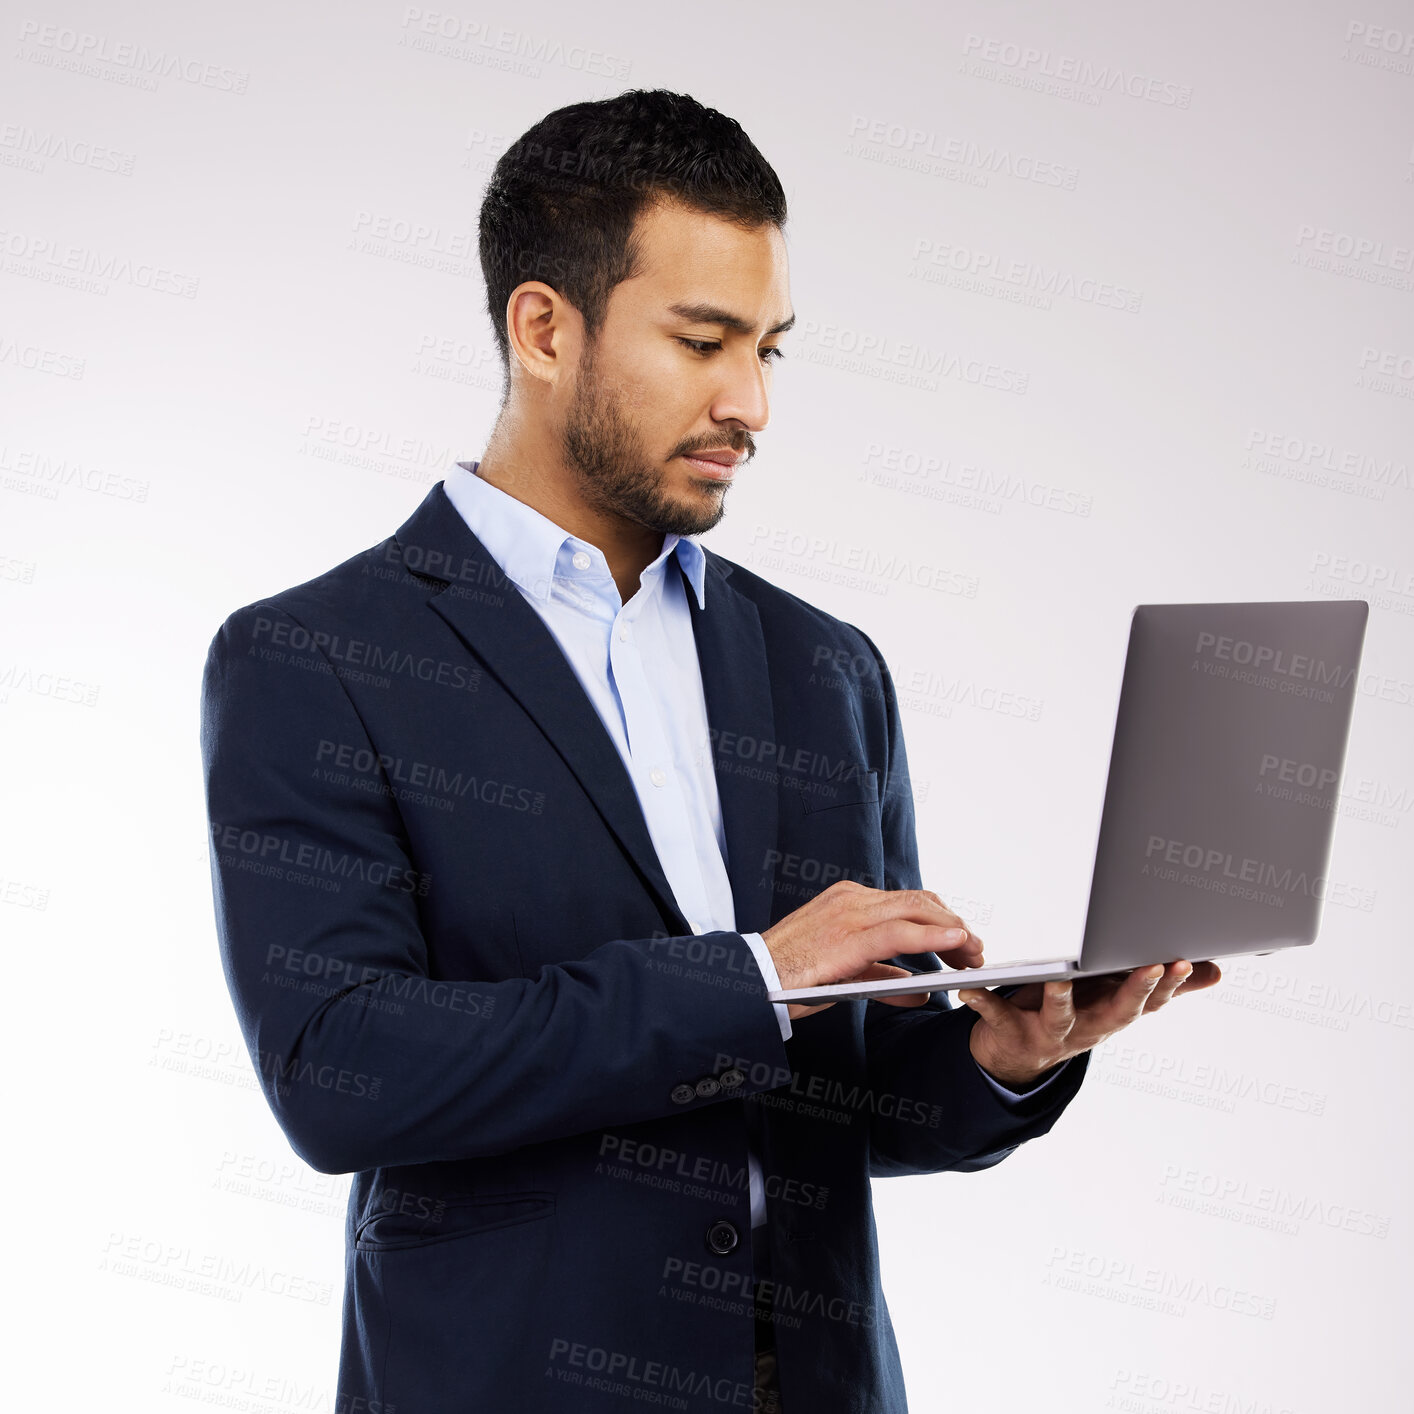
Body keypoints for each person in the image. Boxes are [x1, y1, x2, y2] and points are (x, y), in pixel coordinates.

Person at [200, 88, 1219, 1413]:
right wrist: (751, 973)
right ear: (542, 327)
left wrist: (999, 1056)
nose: (748, 401)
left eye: (770, 350)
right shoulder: (316, 656)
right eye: (700, 341)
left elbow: (830, 1095)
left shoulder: (823, 665)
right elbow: (339, 1072)